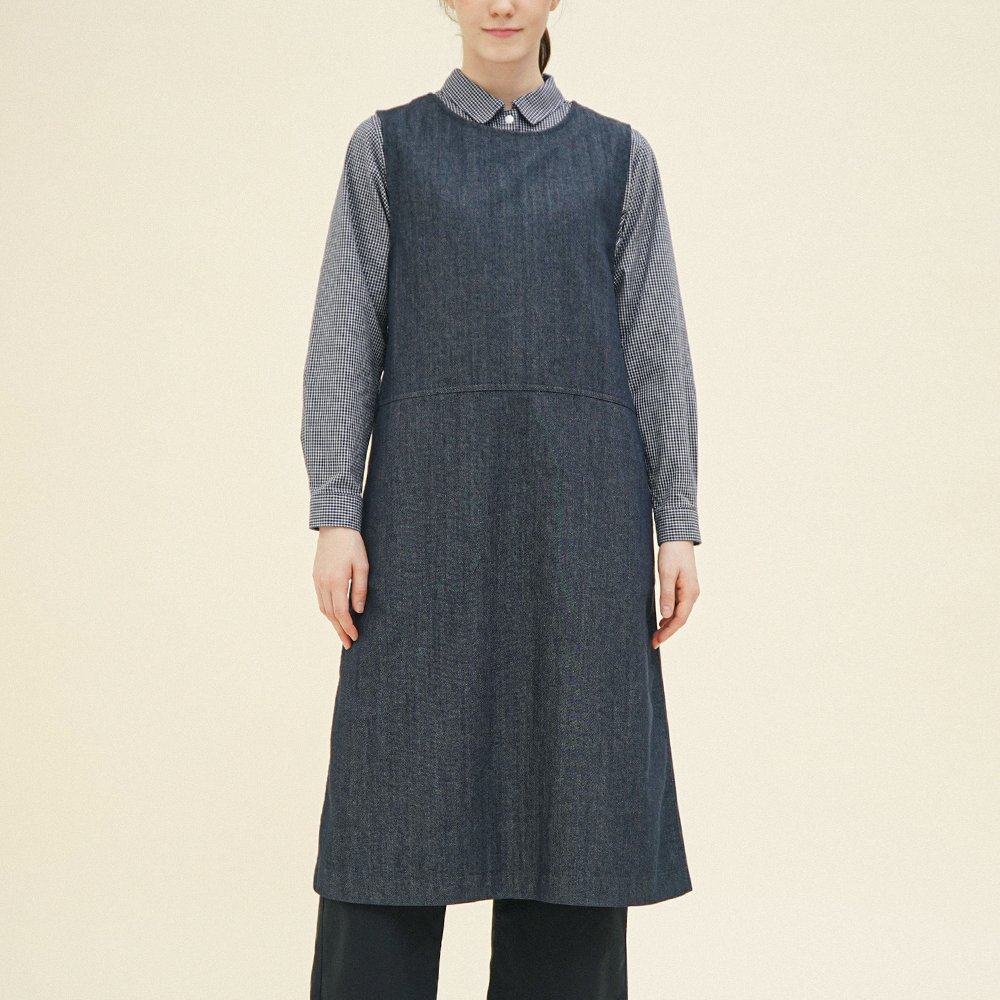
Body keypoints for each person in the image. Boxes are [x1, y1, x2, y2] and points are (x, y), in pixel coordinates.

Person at [299, 1, 702, 996]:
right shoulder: (389, 149)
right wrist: (335, 510)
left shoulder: (619, 159)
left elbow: (657, 349)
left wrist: (678, 523)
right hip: (421, 521)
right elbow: (345, 331)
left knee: (576, 815)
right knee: (393, 808)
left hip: (586, 520)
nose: (502, 3)